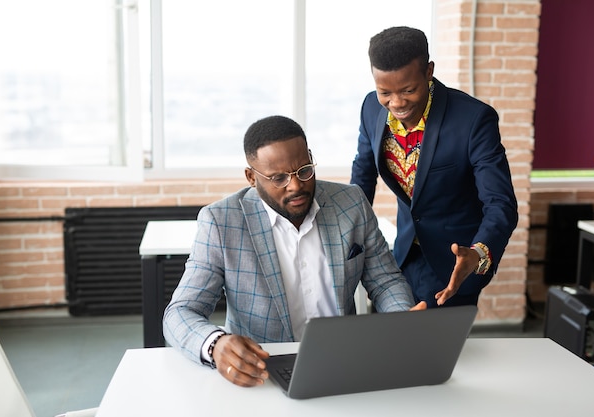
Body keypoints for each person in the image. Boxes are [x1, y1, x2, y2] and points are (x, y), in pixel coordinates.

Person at [163, 115, 426, 388]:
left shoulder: (351, 203)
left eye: (304, 170)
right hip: (262, 372)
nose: (296, 185)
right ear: (251, 177)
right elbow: (180, 312)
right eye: (278, 178)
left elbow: (385, 281)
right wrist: (215, 344)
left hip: (345, 364)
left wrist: (400, 320)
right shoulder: (221, 222)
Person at [350, 26, 518, 308]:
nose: (397, 103)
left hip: (454, 265)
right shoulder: (370, 107)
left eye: (408, 90)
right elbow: (363, 175)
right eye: (385, 92)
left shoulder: (473, 119)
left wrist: (478, 252)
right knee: (388, 342)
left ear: (428, 71)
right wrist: (348, 233)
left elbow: (500, 202)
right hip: (401, 256)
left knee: (433, 349)